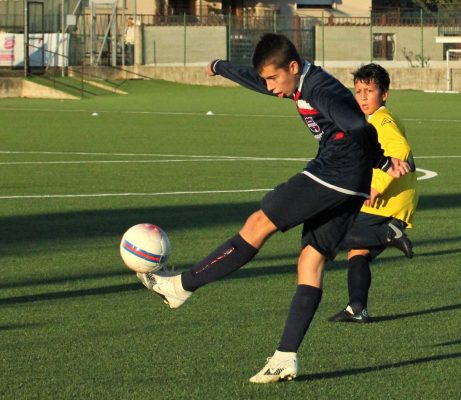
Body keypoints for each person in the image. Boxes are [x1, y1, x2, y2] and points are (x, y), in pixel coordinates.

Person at [136, 33, 411, 383]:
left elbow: (357, 124)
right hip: (349, 181)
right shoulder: (297, 80)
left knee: (258, 223)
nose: (270, 86)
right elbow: (258, 80)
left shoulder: (321, 87)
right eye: (267, 78)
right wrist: (222, 67)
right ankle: (285, 357)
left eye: (274, 78)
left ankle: (181, 287)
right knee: (310, 261)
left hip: (336, 171)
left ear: (292, 67)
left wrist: (383, 162)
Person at [328, 63, 419, 324]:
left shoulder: (381, 119)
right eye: (358, 91)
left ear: (385, 94)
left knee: (332, 234)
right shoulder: (377, 118)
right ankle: (357, 308)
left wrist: (375, 185)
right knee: (358, 252)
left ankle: (387, 233)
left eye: (369, 91)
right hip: (394, 202)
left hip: (387, 202)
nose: (363, 97)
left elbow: (400, 149)